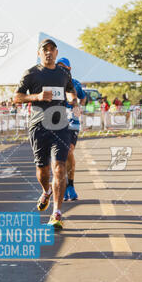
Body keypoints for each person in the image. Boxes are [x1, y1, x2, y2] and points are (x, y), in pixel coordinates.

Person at [13, 38, 77, 229]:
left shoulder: (63, 72)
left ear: (56, 53)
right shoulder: (32, 73)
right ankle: (46, 190)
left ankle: (56, 212)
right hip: (39, 125)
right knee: (43, 170)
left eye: (52, 49)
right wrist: (37, 97)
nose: (48, 53)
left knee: (59, 167)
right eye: (45, 50)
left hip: (60, 125)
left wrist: (72, 98)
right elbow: (16, 97)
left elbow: (70, 89)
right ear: (39, 53)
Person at [56, 58, 86, 201]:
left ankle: (71, 185)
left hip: (72, 121)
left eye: (64, 67)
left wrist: (79, 108)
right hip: (55, 121)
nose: (61, 69)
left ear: (69, 69)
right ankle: (60, 186)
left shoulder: (76, 83)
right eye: (59, 67)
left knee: (69, 151)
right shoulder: (53, 82)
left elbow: (83, 97)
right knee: (57, 156)